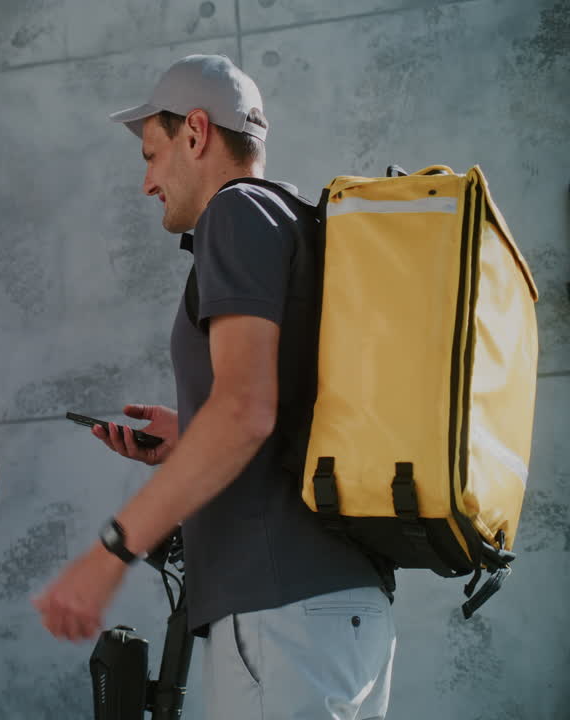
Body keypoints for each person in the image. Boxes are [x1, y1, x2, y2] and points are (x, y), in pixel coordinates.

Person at [33, 55, 396, 719]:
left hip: (279, 609)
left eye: (151, 154)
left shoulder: (233, 212)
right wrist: (190, 433)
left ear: (196, 134)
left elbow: (245, 411)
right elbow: (279, 405)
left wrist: (112, 551)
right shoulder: (293, 223)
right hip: (336, 606)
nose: (146, 183)